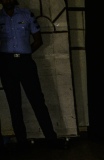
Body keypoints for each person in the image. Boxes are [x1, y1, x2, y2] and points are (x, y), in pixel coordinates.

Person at [0, 0, 61, 149]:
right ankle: (22, 142)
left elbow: (38, 40)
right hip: (7, 64)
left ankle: (51, 139)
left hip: (26, 63)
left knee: (37, 101)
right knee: (14, 104)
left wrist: (25, 54)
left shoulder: (26, 14)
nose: (7, 0)